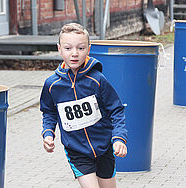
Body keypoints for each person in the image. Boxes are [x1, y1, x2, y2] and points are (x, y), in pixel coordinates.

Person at [40, 23, 128, 188]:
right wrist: (47, 134)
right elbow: (49, 112)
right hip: (76, 150)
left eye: (80, 48)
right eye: (68, 48)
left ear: (88, 49)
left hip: (104, 146)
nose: (74, 53)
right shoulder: (52, 85)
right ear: (59, 49)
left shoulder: (97, 79)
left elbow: (116, 109)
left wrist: (119, 138)